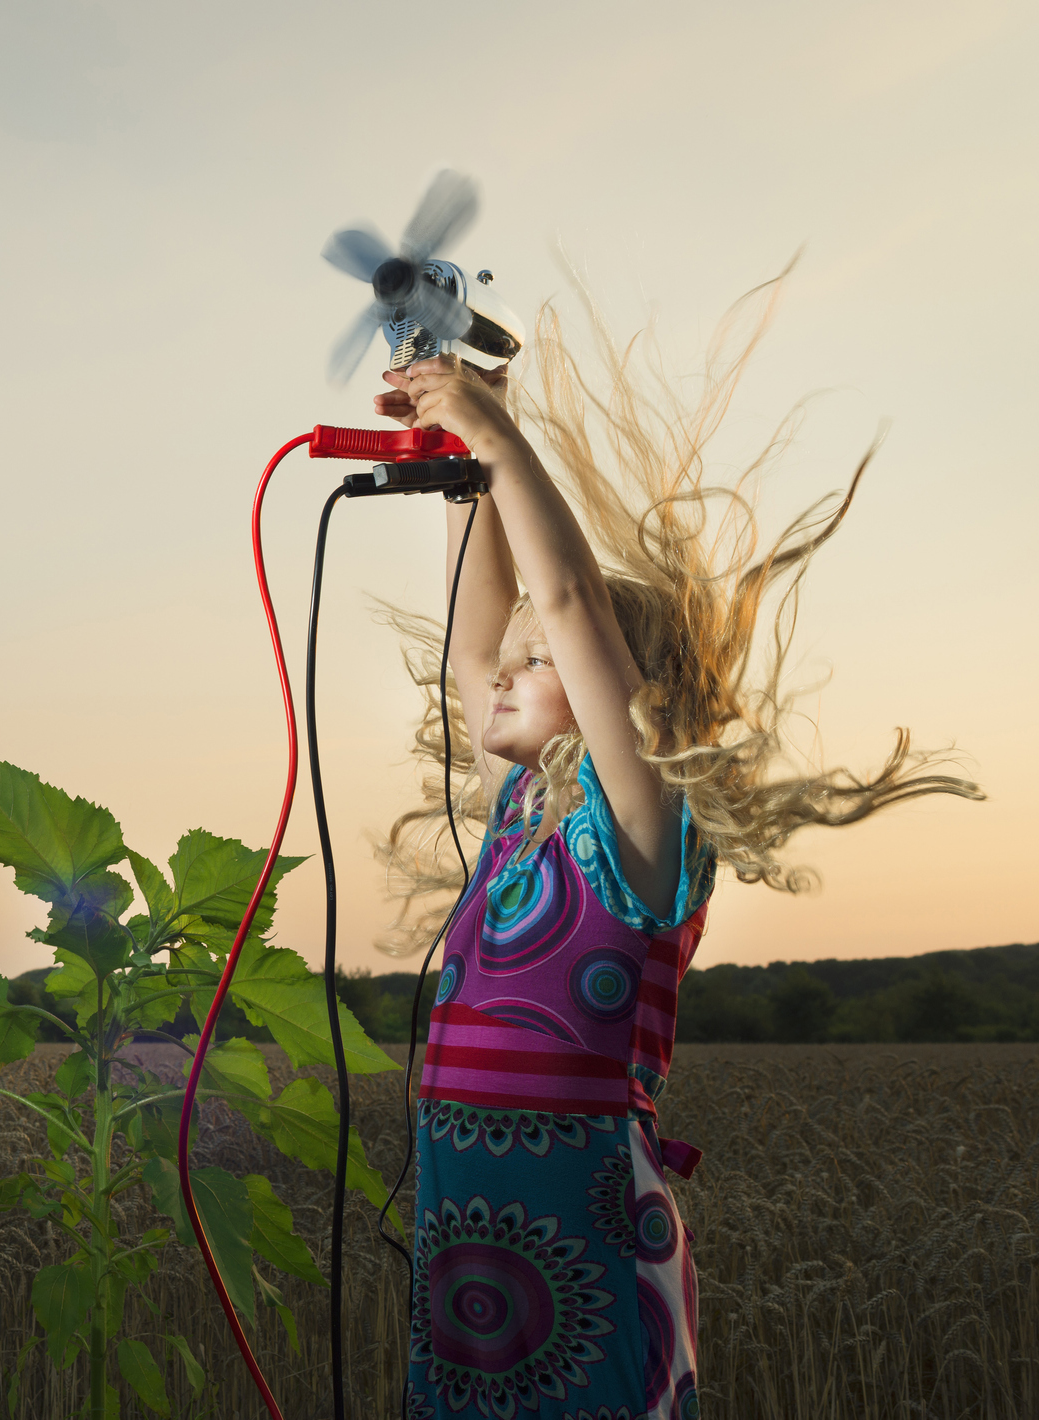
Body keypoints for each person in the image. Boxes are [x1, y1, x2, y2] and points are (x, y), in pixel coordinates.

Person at [367, 285, 979, 1420]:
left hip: (582, 1255)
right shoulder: (520, 818)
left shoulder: (642, 828)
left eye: (538, 661)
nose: (501, 672)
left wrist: (501, 436)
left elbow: (570, 602)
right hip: (475, 1249)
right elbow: (478, 633)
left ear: (623, 702)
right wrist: (462, 466)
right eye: (514, 658)